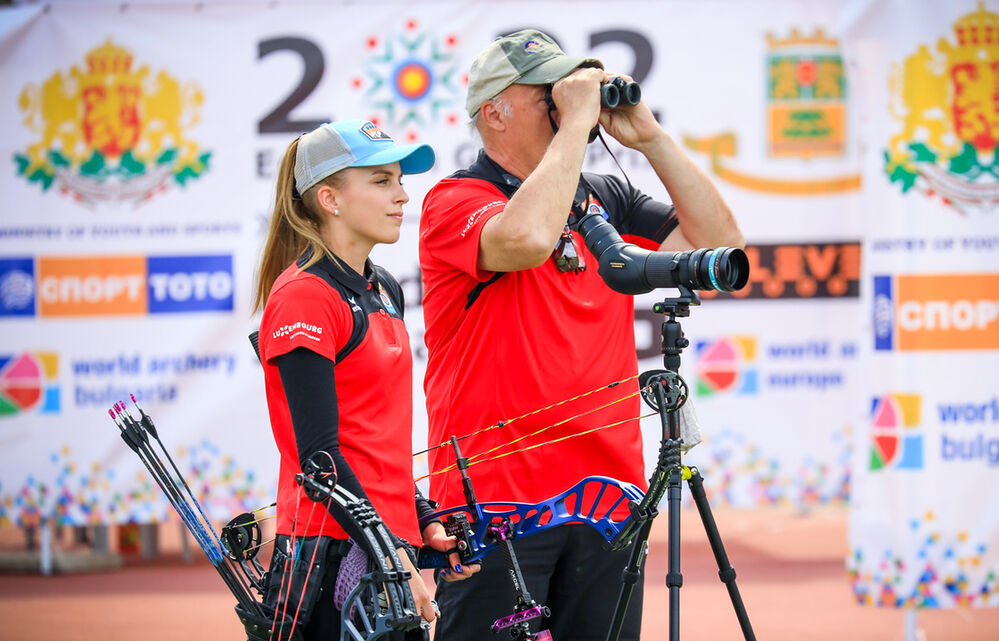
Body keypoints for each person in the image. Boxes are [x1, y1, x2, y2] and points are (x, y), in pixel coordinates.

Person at [419, 30, 744, 640]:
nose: (569, 101)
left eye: (570, 91)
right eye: (549, 92)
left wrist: (649, 138)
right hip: (497, 498)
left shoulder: (605, 197)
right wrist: (573, 129)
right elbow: (526, 239)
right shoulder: (455, 199)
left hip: (607, 494)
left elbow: (718, 244)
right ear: (495, 111)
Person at [253, 120, 478, 641]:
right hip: (328, 556)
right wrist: (396, 560)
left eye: (399, 180)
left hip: (380, 544)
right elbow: (321, 460)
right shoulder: (305, 296)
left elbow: (375, 442)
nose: (402, 195)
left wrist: (422, 518)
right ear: (329, 198)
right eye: (381, 181)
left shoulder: (383, 287)